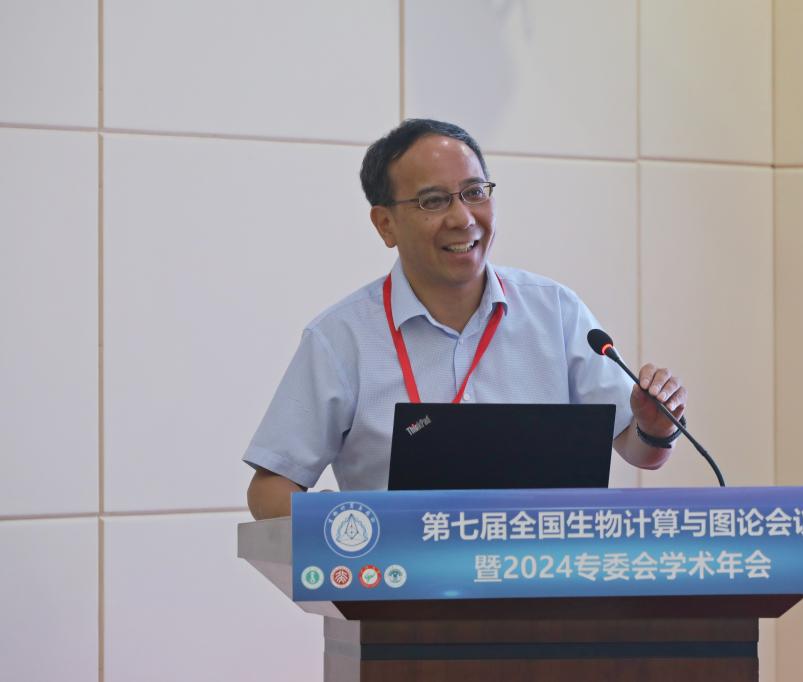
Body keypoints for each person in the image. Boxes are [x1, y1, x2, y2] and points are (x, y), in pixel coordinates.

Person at [244, 119, 687, 519]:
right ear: (385, 224)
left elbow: (639, 451)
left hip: (546, 574)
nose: (462, 218)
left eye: (475, 193)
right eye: (433, 201)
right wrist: (340, 524)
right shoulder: (342, 337)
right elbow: (270, 487)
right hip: (401, 579)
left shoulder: (556, 311)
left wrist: (654, 427)